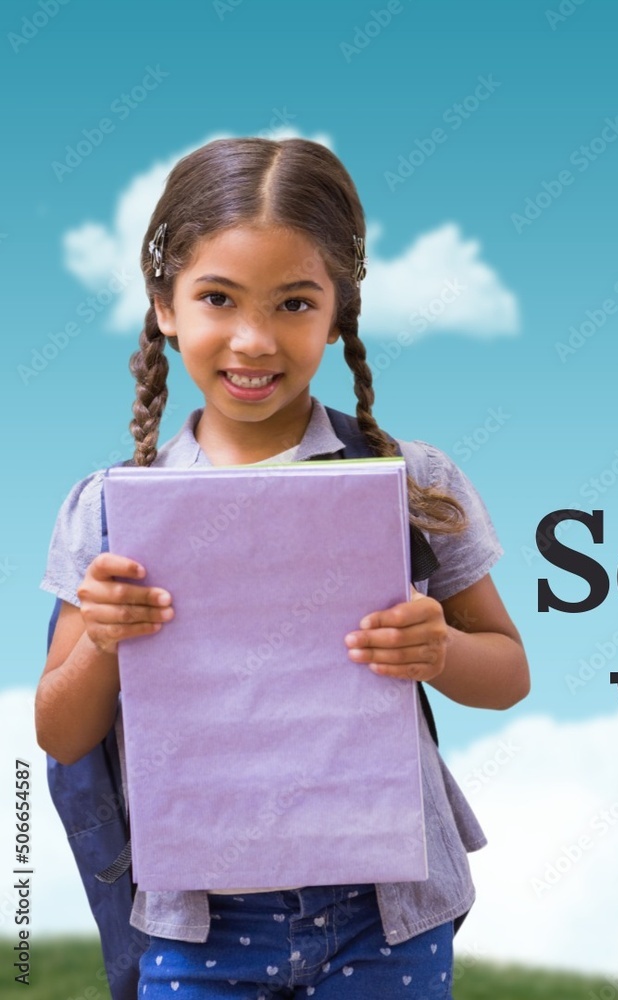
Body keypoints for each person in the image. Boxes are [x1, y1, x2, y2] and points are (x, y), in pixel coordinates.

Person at [35, 136, 530, 999]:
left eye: (295, 303)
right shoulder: (108, 508)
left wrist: (439, 650)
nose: (253, 340)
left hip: (385, 916)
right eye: (217, 298)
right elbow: (60, 733)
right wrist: (105, 641)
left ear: (338, 313)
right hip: (199, 923)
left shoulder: (412, 483)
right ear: (164, 306)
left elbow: (509, 673)